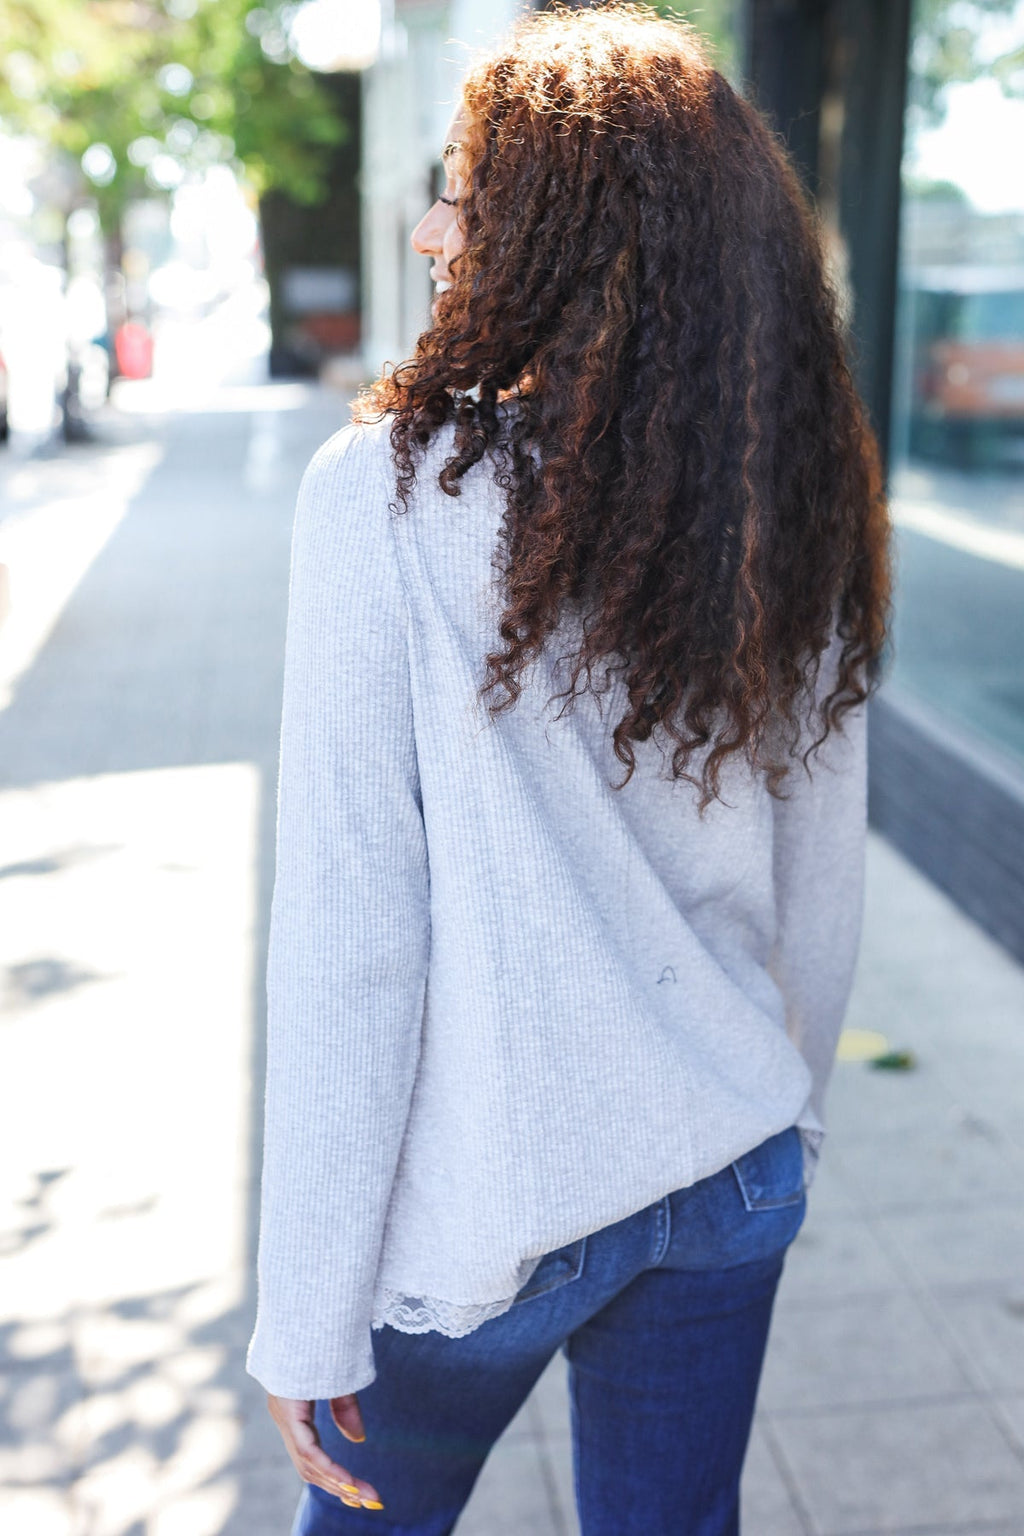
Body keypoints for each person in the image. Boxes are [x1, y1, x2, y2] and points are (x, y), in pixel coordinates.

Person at [245, 5, 892, 1532]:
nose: (426, 231)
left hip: (493, 1210)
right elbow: (826, 867)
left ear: (565, 232)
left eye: (466, 192)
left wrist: (305, 1310)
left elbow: (351, 937)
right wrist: (787, 1115)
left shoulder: (388, 499)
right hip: (726, 1166)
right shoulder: (783, 490)